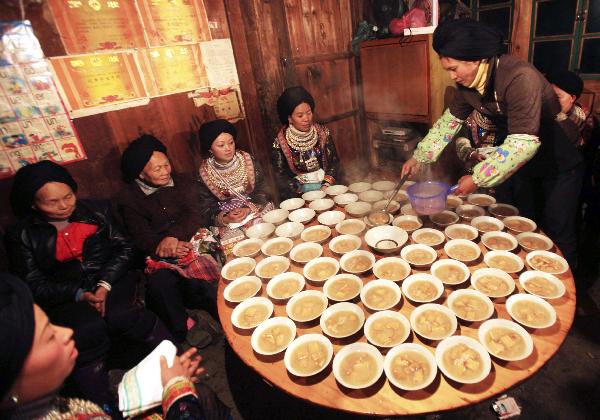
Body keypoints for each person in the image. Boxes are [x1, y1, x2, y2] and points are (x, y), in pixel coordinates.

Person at [401, 18, 583, 267]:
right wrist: (419, 157)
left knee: (557, 229)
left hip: (558, 159)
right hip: (519, 162)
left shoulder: (520, 77)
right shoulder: (468, 84)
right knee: (522, 223)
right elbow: (449, 123)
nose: (452, 76)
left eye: (454, 68)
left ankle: (571, 291)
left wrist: (477, 177)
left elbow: (522, 144)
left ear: (475, 59)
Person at [5, 160, 171, 411]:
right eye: (52, 202)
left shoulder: (96, 211)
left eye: (68, 196)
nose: (64, 205)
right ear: (33, 203)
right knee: (85, 330)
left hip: (111, 279)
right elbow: (32, 282)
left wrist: (104, 283)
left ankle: (174, 364)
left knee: (124, 314)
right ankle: (100, 405)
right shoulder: (22, 234)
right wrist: (78, 293)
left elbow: (124, 247)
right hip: (67, 294)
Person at [0, 272, 231, 420]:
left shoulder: (39, 404)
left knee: (203, 392)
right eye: (48, 336)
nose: (67, 332)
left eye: (52, 325)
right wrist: (176, 389)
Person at [119, 135, 220, 345]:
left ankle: (221, 310)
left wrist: (174, 237)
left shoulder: (182, 182)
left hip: (189, 238)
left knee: (206, 267)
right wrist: (164, 245)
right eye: (157, 169)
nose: (166, 171)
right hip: (159, 251)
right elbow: (140, 236)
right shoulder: (129, 199)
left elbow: (195, 214)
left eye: (166, 165)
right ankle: (183, 325)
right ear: (140, 173)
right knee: (160, 282)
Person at [197, 119, 274, 250]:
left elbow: (263, 188)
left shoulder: (247, 160)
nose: (228, 148)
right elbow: (205, 206)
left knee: (266, 235)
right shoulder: (204, 172)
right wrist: (226, 218)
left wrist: (248, 208)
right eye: (221, 145)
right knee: (237, 247)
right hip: (227, 217)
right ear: (210, 149)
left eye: (231, 143)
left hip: (254, 207)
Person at [272, 86, 341, 198]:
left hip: (326, 187)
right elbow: (280, 177)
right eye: (300, 115)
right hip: (299, 195)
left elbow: (334, 162)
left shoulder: (323, 133)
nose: (306, 118)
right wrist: (301, 189)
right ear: (289, 118)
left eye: (309, 113)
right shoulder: (280, 143)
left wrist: (326, 185)